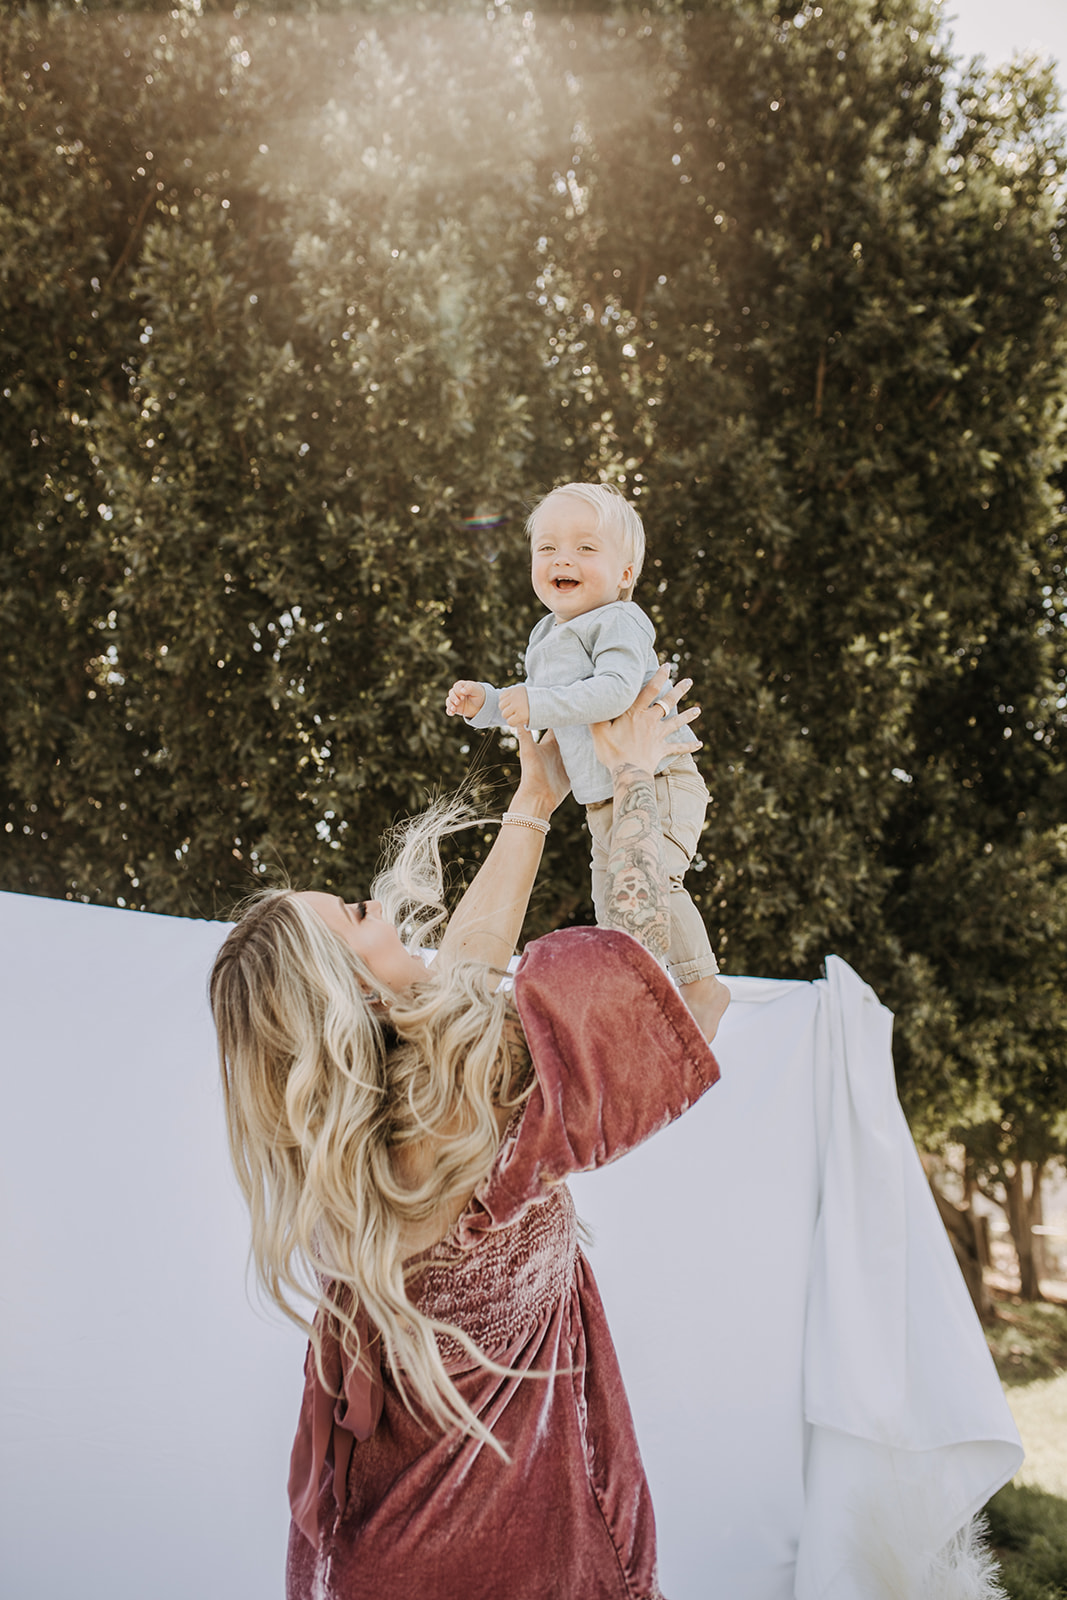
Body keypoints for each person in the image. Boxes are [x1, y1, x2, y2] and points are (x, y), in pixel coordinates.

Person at [210, 667, 730, 1600]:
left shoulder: (373, 1143)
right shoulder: (465, 1101)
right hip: (507, 1557)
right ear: (353, 996)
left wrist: (534, 802)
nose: (379, 906)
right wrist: (638, 787)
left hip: (387, 1557)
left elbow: (462, 974)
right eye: (359, 916)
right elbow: (680, 996)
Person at [446, 481, 723, 1040]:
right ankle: (659, 989)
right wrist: (489, 704)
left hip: (658, 781)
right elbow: (537, 700)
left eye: (585, 548)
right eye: (547, 548)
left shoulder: (619, 621)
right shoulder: (547, 633)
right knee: (610, 901)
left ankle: (700, 986)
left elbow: (616, 692)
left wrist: (536, 701)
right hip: (603, 800)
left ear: (624, 575)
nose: (562, 558)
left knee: (652, 883)